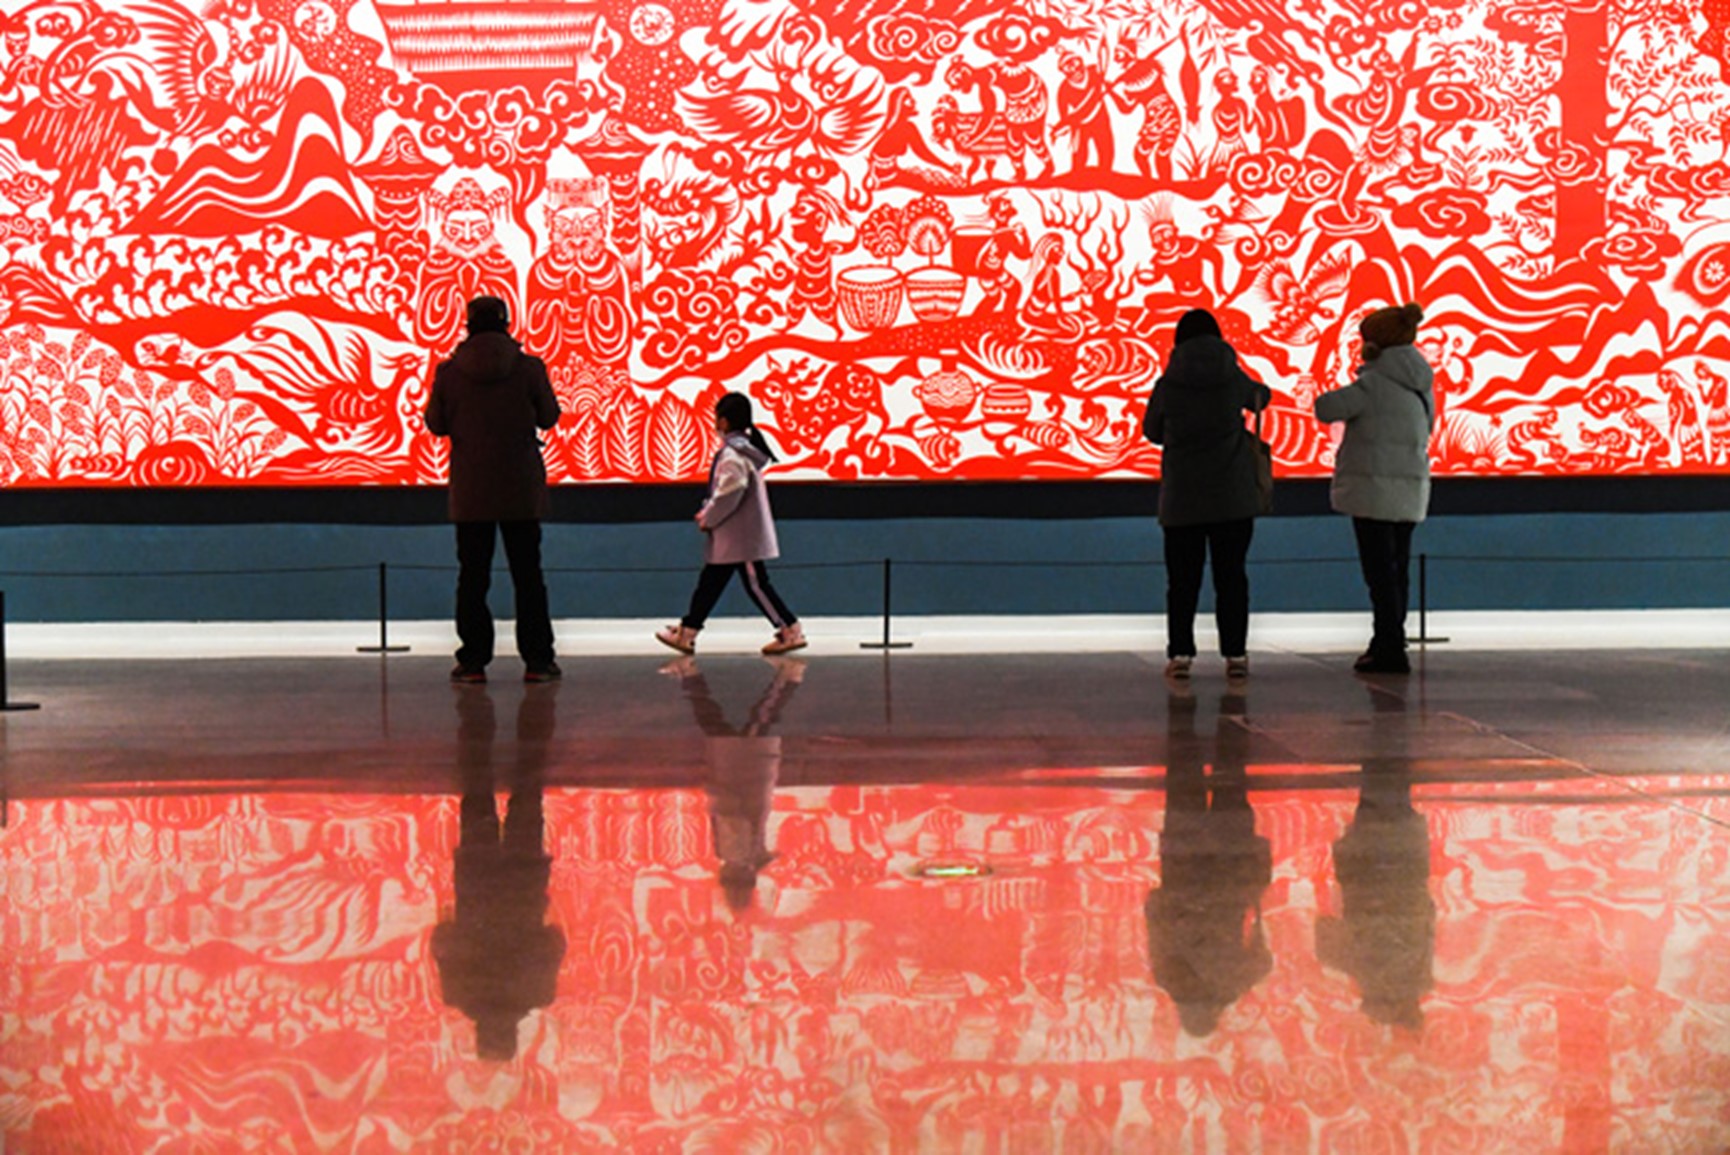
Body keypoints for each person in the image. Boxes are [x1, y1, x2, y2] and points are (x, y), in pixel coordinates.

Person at [424, 295, 562, 684]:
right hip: (520, 489)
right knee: (528, 576)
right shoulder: (529, 368)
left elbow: (435, 423)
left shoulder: (449, 372)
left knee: (472, 577)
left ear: (468, 324)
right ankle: (537, 661)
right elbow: (549, 417)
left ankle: (472, 661)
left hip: (471, 490)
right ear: (506, 323)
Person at [1142, 308, 1271, 680]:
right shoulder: (1232, 378)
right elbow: (1262, 397)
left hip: (1182, 498)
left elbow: (1152, 431)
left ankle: (1181, 654)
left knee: (1182, 581)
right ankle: (1236, 654)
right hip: (1232, 497)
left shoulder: (1168, 385)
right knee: (1231, 578)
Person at [1314, 303, 1435, 674]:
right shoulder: (1421, 385)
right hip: (1409, 489)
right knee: (1397, 571)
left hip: (1372, 491)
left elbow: (1325, 408)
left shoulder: (1372, 384)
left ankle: (1388, 646)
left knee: (1378, 574)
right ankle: (1390, 640)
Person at [656, 392, 806, 656]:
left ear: (723, 421)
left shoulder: (733, 455)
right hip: (736, 537)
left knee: (753, 585)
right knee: (713, 583)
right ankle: (688, 631)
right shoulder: (743, 452)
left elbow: (729, 492)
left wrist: (708, 516)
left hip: (739, 538)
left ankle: (789, 630)